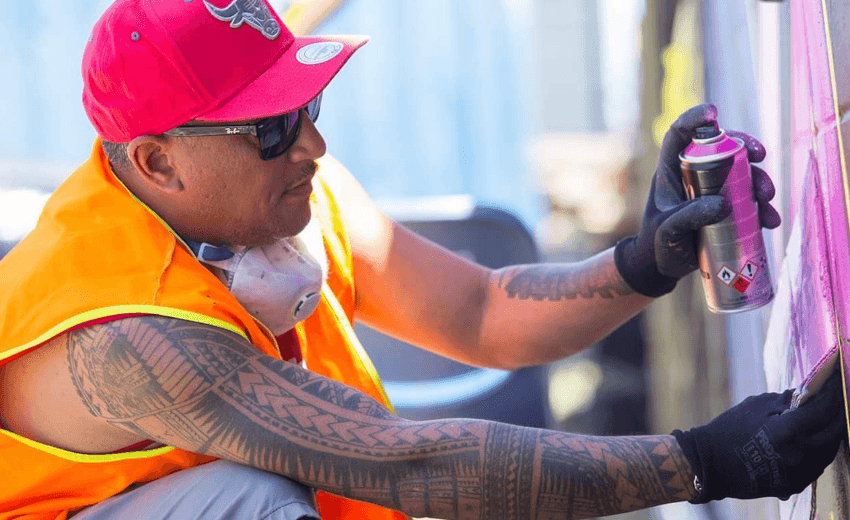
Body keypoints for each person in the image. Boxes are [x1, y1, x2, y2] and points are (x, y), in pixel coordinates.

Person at [0, 0, 843, 519]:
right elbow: (411, 464)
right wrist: (702, 463)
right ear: (157, 163)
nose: (311, 145)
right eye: (271, 127)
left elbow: (481, 314)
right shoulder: (130, 341)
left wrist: (639, 264)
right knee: (259, 504)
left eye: (305, 105)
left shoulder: (273, 195)